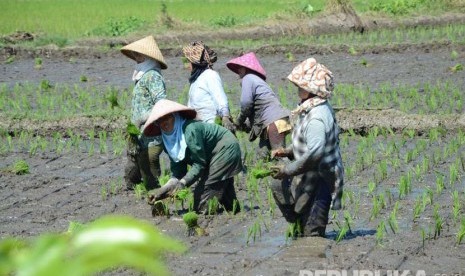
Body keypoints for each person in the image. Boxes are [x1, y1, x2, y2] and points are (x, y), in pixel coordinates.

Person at [270, 57, 344, 238]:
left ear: (311, 89)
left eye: (300, 86)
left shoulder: (317, 117)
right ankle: (299, 227)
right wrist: (287, 151)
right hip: (309, 174)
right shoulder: (310, 108)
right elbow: (309, 144)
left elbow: (315, 154)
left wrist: (287, 169)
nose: (297, 89)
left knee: (313, 231)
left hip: (321, 178)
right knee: (283, 193)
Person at [143, 99, 242, 213]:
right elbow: (178, 171)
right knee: (225, 196)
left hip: (225, 148)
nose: (163, 123)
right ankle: (235, 211)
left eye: (167, 118)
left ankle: (215, 215)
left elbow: (199, 164)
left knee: (201, 202)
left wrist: (183, 183)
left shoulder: (190, 130)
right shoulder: (168, 142)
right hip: (210, 157)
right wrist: (163, 190)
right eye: (159, 121)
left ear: (175, 116)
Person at [120, 35, 167, 190]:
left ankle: (159, 193)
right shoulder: (142, 76)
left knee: (150, 165)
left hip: (151, 131)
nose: (136, 58)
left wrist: (141, 119)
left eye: (139, 54)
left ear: (148, 56)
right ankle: (139, 190)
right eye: (135, 54)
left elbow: (161, 104)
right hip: (139, 131)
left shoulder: (153, 76)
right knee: (138, 163)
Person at [226, 52, 291, 159]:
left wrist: (238, 122)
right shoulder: (258, 81)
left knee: (280, 157)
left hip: (274, 122)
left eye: (240, 68)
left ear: (245, 69)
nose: (238, 71)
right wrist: (245, 124)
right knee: (262, 156)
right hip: (278, 120)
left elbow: (246, 104)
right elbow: (256, 112)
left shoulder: (248, 78)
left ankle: (293, 173)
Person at [182, 41, 236, 133]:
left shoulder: (210, 75)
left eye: (187, 62)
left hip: (212, 127)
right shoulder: (195, 80)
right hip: (199, 128)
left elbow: (220, 97)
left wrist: (225, 117)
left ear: (195, 63)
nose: (186, 65)